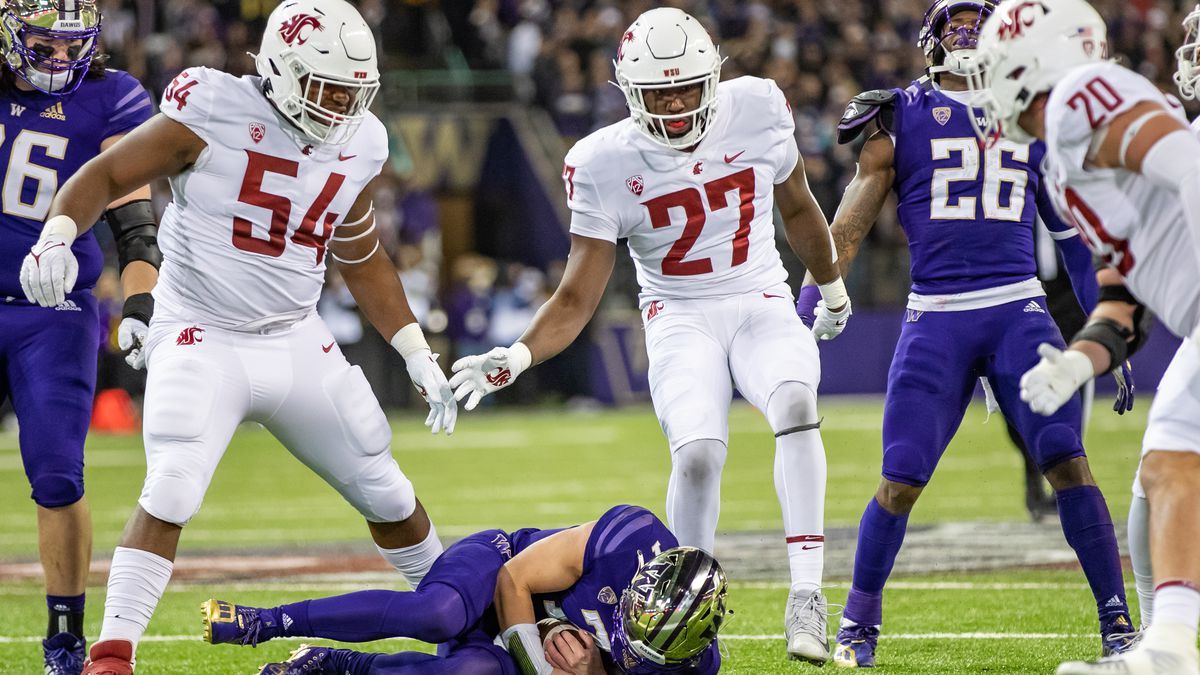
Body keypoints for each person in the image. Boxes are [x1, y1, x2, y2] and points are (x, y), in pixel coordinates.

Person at [18, 1, 459, 672]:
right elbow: (107, 175)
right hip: (201, 327)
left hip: (292, 334)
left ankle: (471, 619)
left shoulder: (361, 140)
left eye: (353, 88)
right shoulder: (213, 107)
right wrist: (58, 232)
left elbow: (362, 253)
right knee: (173, 483)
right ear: (281, 71)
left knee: (388, 489)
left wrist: (413, 347)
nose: (341, 103)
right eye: (327, 85)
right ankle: (110, 656)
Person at [447, 6, 850, 664]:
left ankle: (807, 595)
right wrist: (517, 356)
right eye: (657, 90)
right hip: (679, 313)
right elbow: (579, 294)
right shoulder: (604, 161)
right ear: (629, 92)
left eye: (685, 86)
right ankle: (689, 619)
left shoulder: (757, 108)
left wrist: (831, 285)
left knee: (797, 407)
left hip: (758, 295)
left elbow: (800, 206)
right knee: (696, 454)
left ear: (713, 79)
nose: (672, 102)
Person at [802, 0, 1136, 667]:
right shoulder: (897, 115)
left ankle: (1117, 622)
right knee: (900, 476)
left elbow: (1075, 238)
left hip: (1018, 308)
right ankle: (857, 624)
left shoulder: (1028, 113)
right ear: (930, 43)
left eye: (970, 30)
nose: (961, 41)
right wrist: (809, 299)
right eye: (951, 30)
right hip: (937, 316)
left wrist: (1110, 326)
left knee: (1067, 458)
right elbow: (848, 225)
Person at [965, 0, 1200, 672]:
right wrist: (1075, 364)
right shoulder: (1058, 168)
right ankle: (1165, 645)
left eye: (994, 65)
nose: (986, 86)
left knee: (1171, 463)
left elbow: (1187, 163)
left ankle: (1168, 651)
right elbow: (1123, 300)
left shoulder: (1075, 99)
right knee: (1159, 475)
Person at [0, 0, 156, 671]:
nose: (61, 62)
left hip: (52, 310)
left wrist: (141, 304)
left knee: (58, 471)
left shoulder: (113, 98)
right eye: (45, 47)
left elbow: (134, 223)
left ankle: (64, 640)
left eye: (74, 48)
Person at [201, 505, 725, 675]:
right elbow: (514, 579)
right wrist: (542, 659)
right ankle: (263, 622)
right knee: (438, 614)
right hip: (497, 572)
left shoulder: (698, 662)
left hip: (527, 646)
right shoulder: (625, 537)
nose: (629, 653)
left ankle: (332, 664)